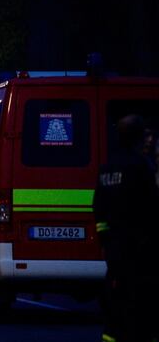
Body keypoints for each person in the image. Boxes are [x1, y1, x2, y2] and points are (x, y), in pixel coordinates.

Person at [94, 115, 159, 342]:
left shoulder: (106, 169)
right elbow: (151, 209)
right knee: (141, 313)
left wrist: (105, 241)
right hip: (140, 253)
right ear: (137, 138)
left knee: (114, 311)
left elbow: (99, 208)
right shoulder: (141, 167)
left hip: (115, 252)